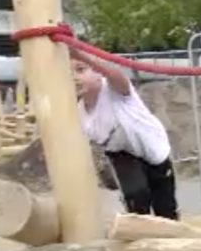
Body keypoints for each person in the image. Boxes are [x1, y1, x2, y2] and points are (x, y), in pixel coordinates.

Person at [70, 48, 179, 220]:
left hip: (152, 147)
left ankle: (170, 231)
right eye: (68, 73)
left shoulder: (114, 90)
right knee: (137, 197)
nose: (74, 78)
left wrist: (82, 54)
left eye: (80, 70)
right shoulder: (80, 113)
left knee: (165, 206)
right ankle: (139, 230)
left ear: (99, 73)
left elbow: (115, 74)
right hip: (121, 152)